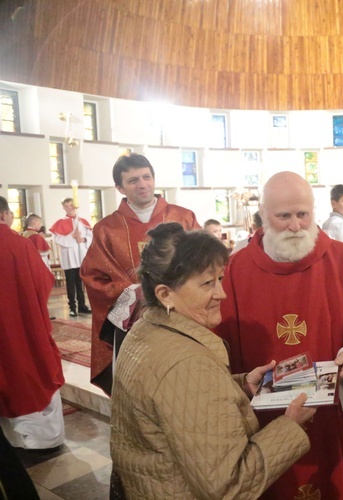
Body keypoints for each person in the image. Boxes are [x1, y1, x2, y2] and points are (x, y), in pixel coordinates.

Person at [216, 171, 343, 499]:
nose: (295, 226)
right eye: (283, 216)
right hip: (264, 423)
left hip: (334, 420)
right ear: (263, 215)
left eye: (303, 214)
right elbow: (215, 345)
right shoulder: (235, 271)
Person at [111, 223, 314, 498]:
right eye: (207, 283)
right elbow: (229, 485)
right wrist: (290, 425)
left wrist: (239, 385)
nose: (222, 293)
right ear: (165, 294)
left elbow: (172, 403)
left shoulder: (146, 329)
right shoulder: (187, 364)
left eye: (220, 279)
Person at [80, 153, 200, 395]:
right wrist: (135, 294)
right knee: (141, 390)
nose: (142, 184)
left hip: (182, 315)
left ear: (154, 179)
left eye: (146, 177)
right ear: (120, 187)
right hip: (133, 323)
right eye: (133, 180)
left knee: (186, 384)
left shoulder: (183, 217)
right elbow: (93, 276)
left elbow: (202, 262)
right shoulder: (106, 229)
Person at [0, 196, 65, 451]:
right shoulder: (19, 245)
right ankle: (37, 441)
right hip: (20, 327)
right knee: (29, 367)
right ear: (6, 214)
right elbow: (43, 283)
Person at [50, 198, 93, 317]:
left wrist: (83, 239)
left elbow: (91, 236)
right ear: (63, 208)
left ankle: (82, 306)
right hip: (69, 257)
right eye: (66, 206)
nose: (70, 208)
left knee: (80, 283)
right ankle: (72, 307)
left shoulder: (82, 221)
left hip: (81, 256)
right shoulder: (60, 222)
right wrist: (71, 236)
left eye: (71, 205)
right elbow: (58, 239)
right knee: (70, 283)